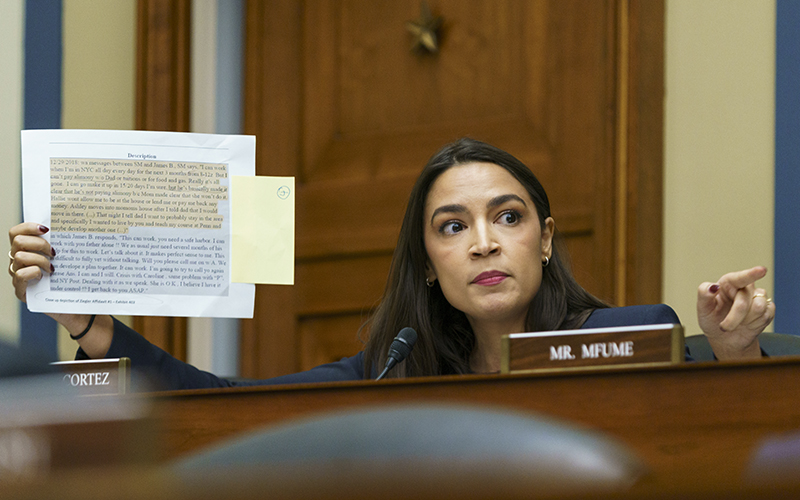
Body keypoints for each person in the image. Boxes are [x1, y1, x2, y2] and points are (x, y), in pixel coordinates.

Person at [7, 138, 775, 389]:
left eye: (508, 217)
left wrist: (737, 354)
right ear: (429, 259)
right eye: (453, 226)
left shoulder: (642, 335)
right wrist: (90, 323)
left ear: (544, 240)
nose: (483, 242)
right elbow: (215, 410)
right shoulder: (392, 371)